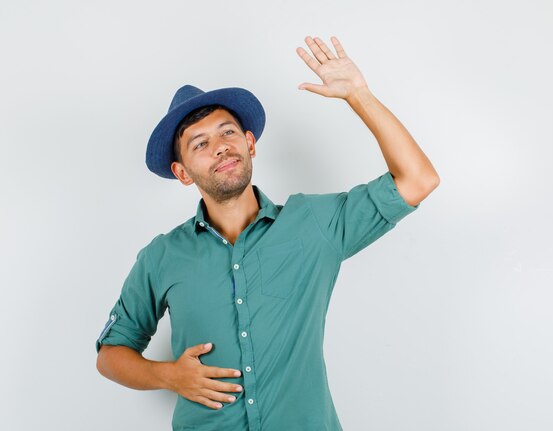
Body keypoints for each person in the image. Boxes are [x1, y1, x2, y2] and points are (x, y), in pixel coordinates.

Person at [95, 35, 439, 431]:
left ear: (250, 144)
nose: (221, 147)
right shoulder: (161, 256)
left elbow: (418, 179)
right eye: (200, 143)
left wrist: (358, 95)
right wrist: (168, 376)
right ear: (182, 172)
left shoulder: (314, 223)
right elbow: (111, 354)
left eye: (227, 133)